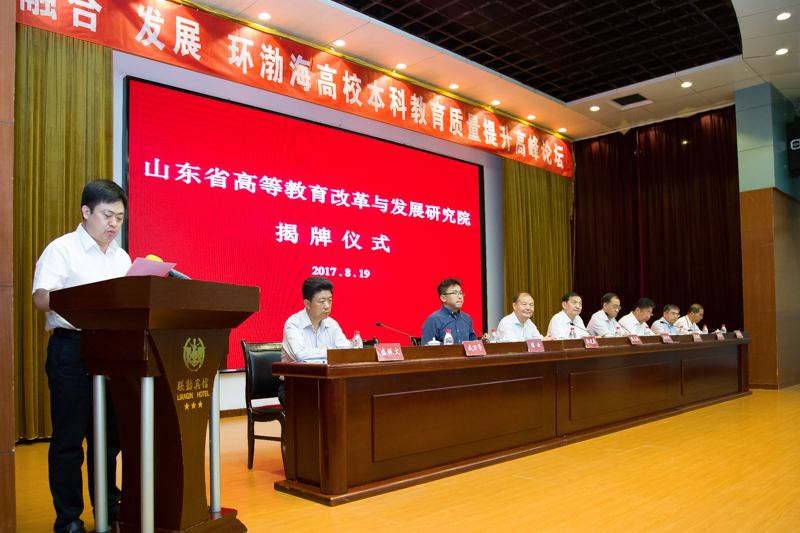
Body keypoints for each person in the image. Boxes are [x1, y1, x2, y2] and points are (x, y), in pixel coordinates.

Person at [32, 180, 130, 533]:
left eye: (119, 217)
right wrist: (86, 302)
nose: (113, 224)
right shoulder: (62, 249)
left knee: (108, 441)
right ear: (86, 211)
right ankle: (69, 519)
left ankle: (109, 509)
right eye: (107, 215)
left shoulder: (121, 257)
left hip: (112, 353)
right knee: (69, 440)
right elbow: (41, 298)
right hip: (71, 350)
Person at [280, 276, 350, 406]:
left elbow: (345, 349)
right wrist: (332, 353)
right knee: (324, 404)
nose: (327, 306)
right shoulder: (293, 324)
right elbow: (301, 354)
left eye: (329, 300)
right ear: (307, 303)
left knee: (351, 401)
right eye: (321, 301)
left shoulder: (332, 324)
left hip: (327, 383)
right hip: (295, 385)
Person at [421, 278, 481, 345]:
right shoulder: (433, 320)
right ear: (443, 298)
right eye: (455, 293)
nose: (460, 297)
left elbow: (473, 344)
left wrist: (484, 341)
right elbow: (425, 348)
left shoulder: (466, 318)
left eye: (460, 293)